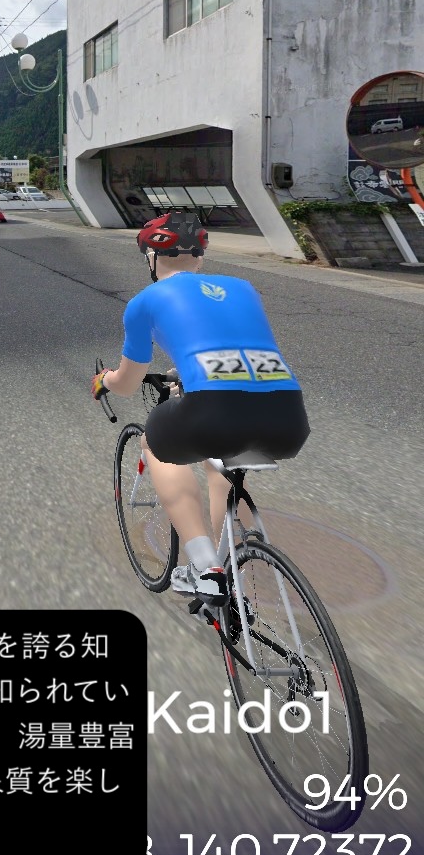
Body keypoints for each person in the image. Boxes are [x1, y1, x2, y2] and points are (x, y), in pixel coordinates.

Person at [92, 211, 309, 603]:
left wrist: (103, 380)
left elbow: (127, 383)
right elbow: (230, 344)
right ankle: (230, 565)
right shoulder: (243, 288)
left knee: (156, 446)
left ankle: (205, 567)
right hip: (289, 415)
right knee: (221, 459)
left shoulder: (145, 301)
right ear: (200, 257)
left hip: (215, 409)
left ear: (151, 258)